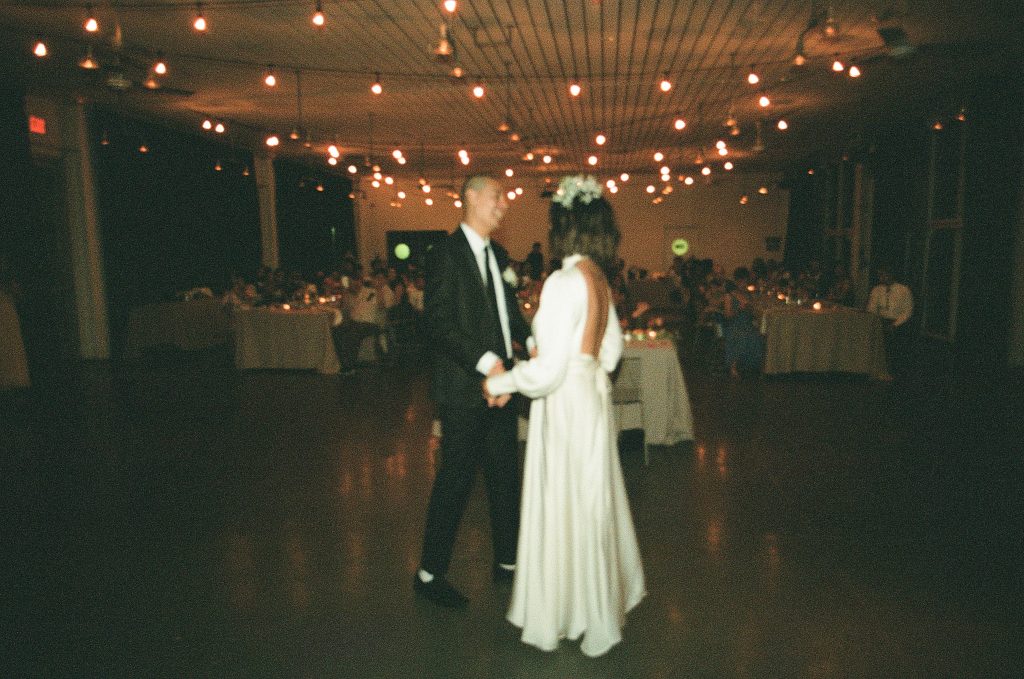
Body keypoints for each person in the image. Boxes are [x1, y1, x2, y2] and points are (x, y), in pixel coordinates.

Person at [483, 175, 646, 657]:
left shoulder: (562, 281)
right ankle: (592, 608)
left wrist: (500, 383)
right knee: (588, 504)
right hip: (591, 402)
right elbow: (611, 353)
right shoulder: (598, 279)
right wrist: (578, 362)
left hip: (563, 407)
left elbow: (547, 372)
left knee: (562, 504)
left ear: (564, 228)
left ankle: (564, 610)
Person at [414, 175, 532, 609]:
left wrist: (531, 341)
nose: (504, 204)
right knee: (455, 481)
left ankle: (508, 563)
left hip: (502, 386)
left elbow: (509, 312)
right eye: (497, 196)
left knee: (505, 477)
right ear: (470, 197)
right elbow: (439, 321)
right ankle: (429, 574)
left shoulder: (498, 254)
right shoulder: (445, 255)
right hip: (464, 388)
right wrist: (486, 362)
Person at [867, 265, 914, 379]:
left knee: (894, 346)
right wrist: (878, 320)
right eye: (880, 275)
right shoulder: (877, 290)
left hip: (898, 322)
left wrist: (895, 324)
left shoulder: (903, 290)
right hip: (881, 321)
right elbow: (871, 308)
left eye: (884, 274)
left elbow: (907, 311)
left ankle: (894, 371)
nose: (882, 277)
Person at [721, 268, 763, 378]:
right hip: (734, 324)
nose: (744, 284)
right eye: (742, 281)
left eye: (745, 281)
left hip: (746, 323)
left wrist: (749, 308)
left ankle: (750, 366)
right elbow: (727, 315)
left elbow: (752, 312)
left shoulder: (747, 294)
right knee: (742, 336)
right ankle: (733, 366)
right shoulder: (729, 295)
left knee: (756, 335)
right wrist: (739, 309)